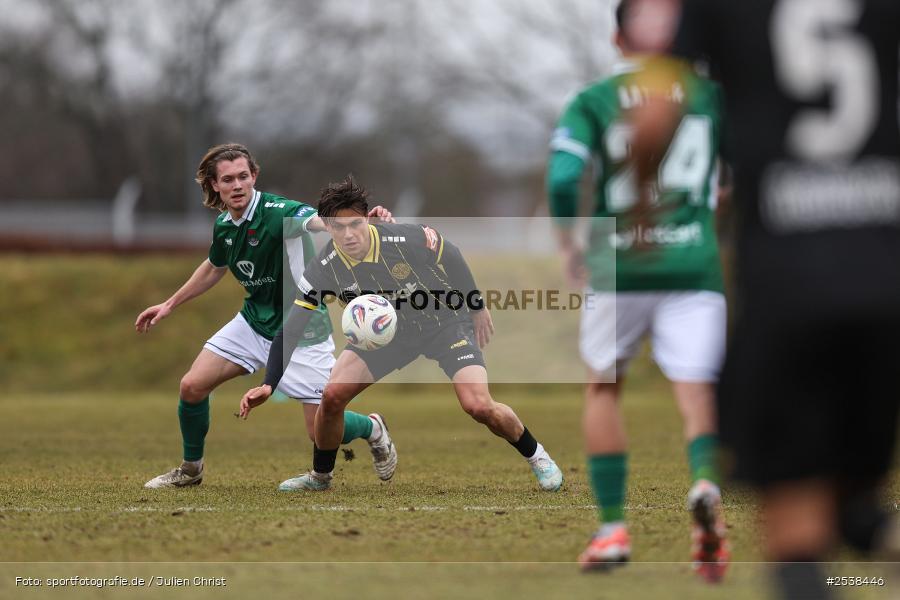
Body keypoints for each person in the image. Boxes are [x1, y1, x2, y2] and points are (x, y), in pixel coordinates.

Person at [641, 0, 900, 597]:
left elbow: (655, 117)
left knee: (797, 536)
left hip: (789, 287)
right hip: (886, 280)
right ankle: (861, 510)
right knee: (853, 474)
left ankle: (833, 543)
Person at [546, 0, 729, 579]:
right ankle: (704, 482)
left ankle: (612, 530)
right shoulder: (711, 96)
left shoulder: (592, 101)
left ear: (617, 39)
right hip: (693, 264)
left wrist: (572, 243)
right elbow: (734, 178)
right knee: (696, 389)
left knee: (604, 387)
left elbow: (563, 177)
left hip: (618, 263)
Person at [238, 175, 564, 493]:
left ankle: (537, 456)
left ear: (367, 219)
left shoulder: (403, 239)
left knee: (478, 405)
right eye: (338, 227)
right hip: (385, 335)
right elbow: (292, 327)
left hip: (444, 323)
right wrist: (269, 382)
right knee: (332, 397)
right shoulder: (323, 268)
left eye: (355, 224)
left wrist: (476, 306)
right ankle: (320, 477)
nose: (349, 234)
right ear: (327, 226)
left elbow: (450, 254)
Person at [136, 143, 398, 489]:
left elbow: (317, 222)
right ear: (215, 185)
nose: (237, 185)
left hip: (301, 330)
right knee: (192, 386)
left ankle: (372, 428)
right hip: (253, 323)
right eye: (228, 179)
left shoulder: (279, 212)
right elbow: (216, 266)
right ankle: (190, 469)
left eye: (243, 176)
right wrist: (170, 304)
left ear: (254, 176)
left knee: (319, 427)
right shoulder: (225, 227)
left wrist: (361, 221)